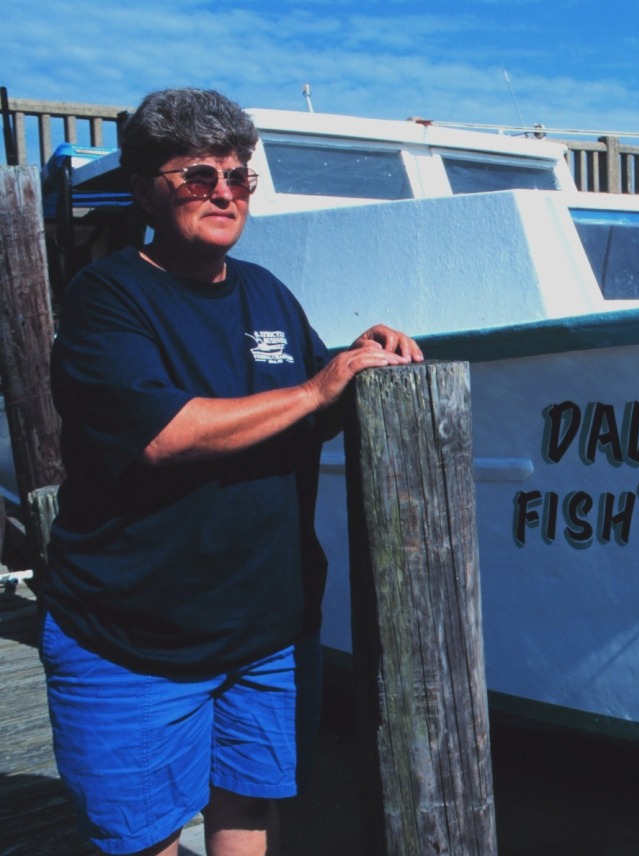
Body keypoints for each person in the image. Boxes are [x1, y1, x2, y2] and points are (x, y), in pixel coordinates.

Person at [40, 88, 422, 856]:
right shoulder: (106, 299)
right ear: (147, 187)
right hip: (131, 637)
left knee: (247, 813)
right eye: (197, 175)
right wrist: (317, 386)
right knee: (140, 840)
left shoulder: (267, 292)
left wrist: (363, 359)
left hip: (266, 633)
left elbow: (308, 404)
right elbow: (163, 435)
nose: (223, 191)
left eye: (238, 176)